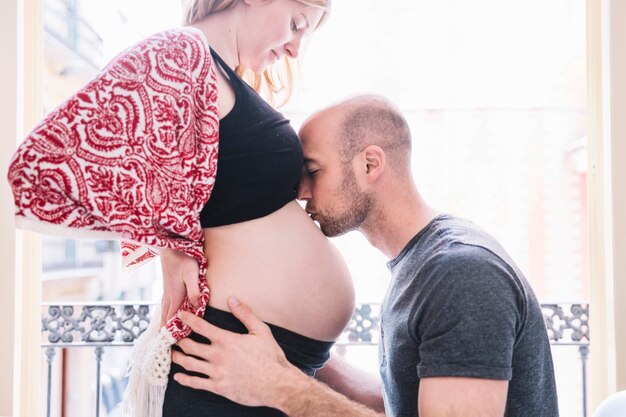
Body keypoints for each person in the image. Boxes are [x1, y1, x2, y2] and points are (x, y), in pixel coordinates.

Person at [8, 1, 356, 416]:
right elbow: (39, 167)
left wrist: (171, 242)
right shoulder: (180, 50)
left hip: (265, 358)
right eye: (296, 24)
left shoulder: (221, 77)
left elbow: (177, 179)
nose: (296, 48)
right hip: (223, 364)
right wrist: (165, 242)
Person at [170, 95, 560, 417]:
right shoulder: (422, 263)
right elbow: (403, 402)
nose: (301, 192)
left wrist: (277, 385)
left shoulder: (462, 273)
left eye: (313, 170)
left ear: (369, 164)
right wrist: (288, 353)